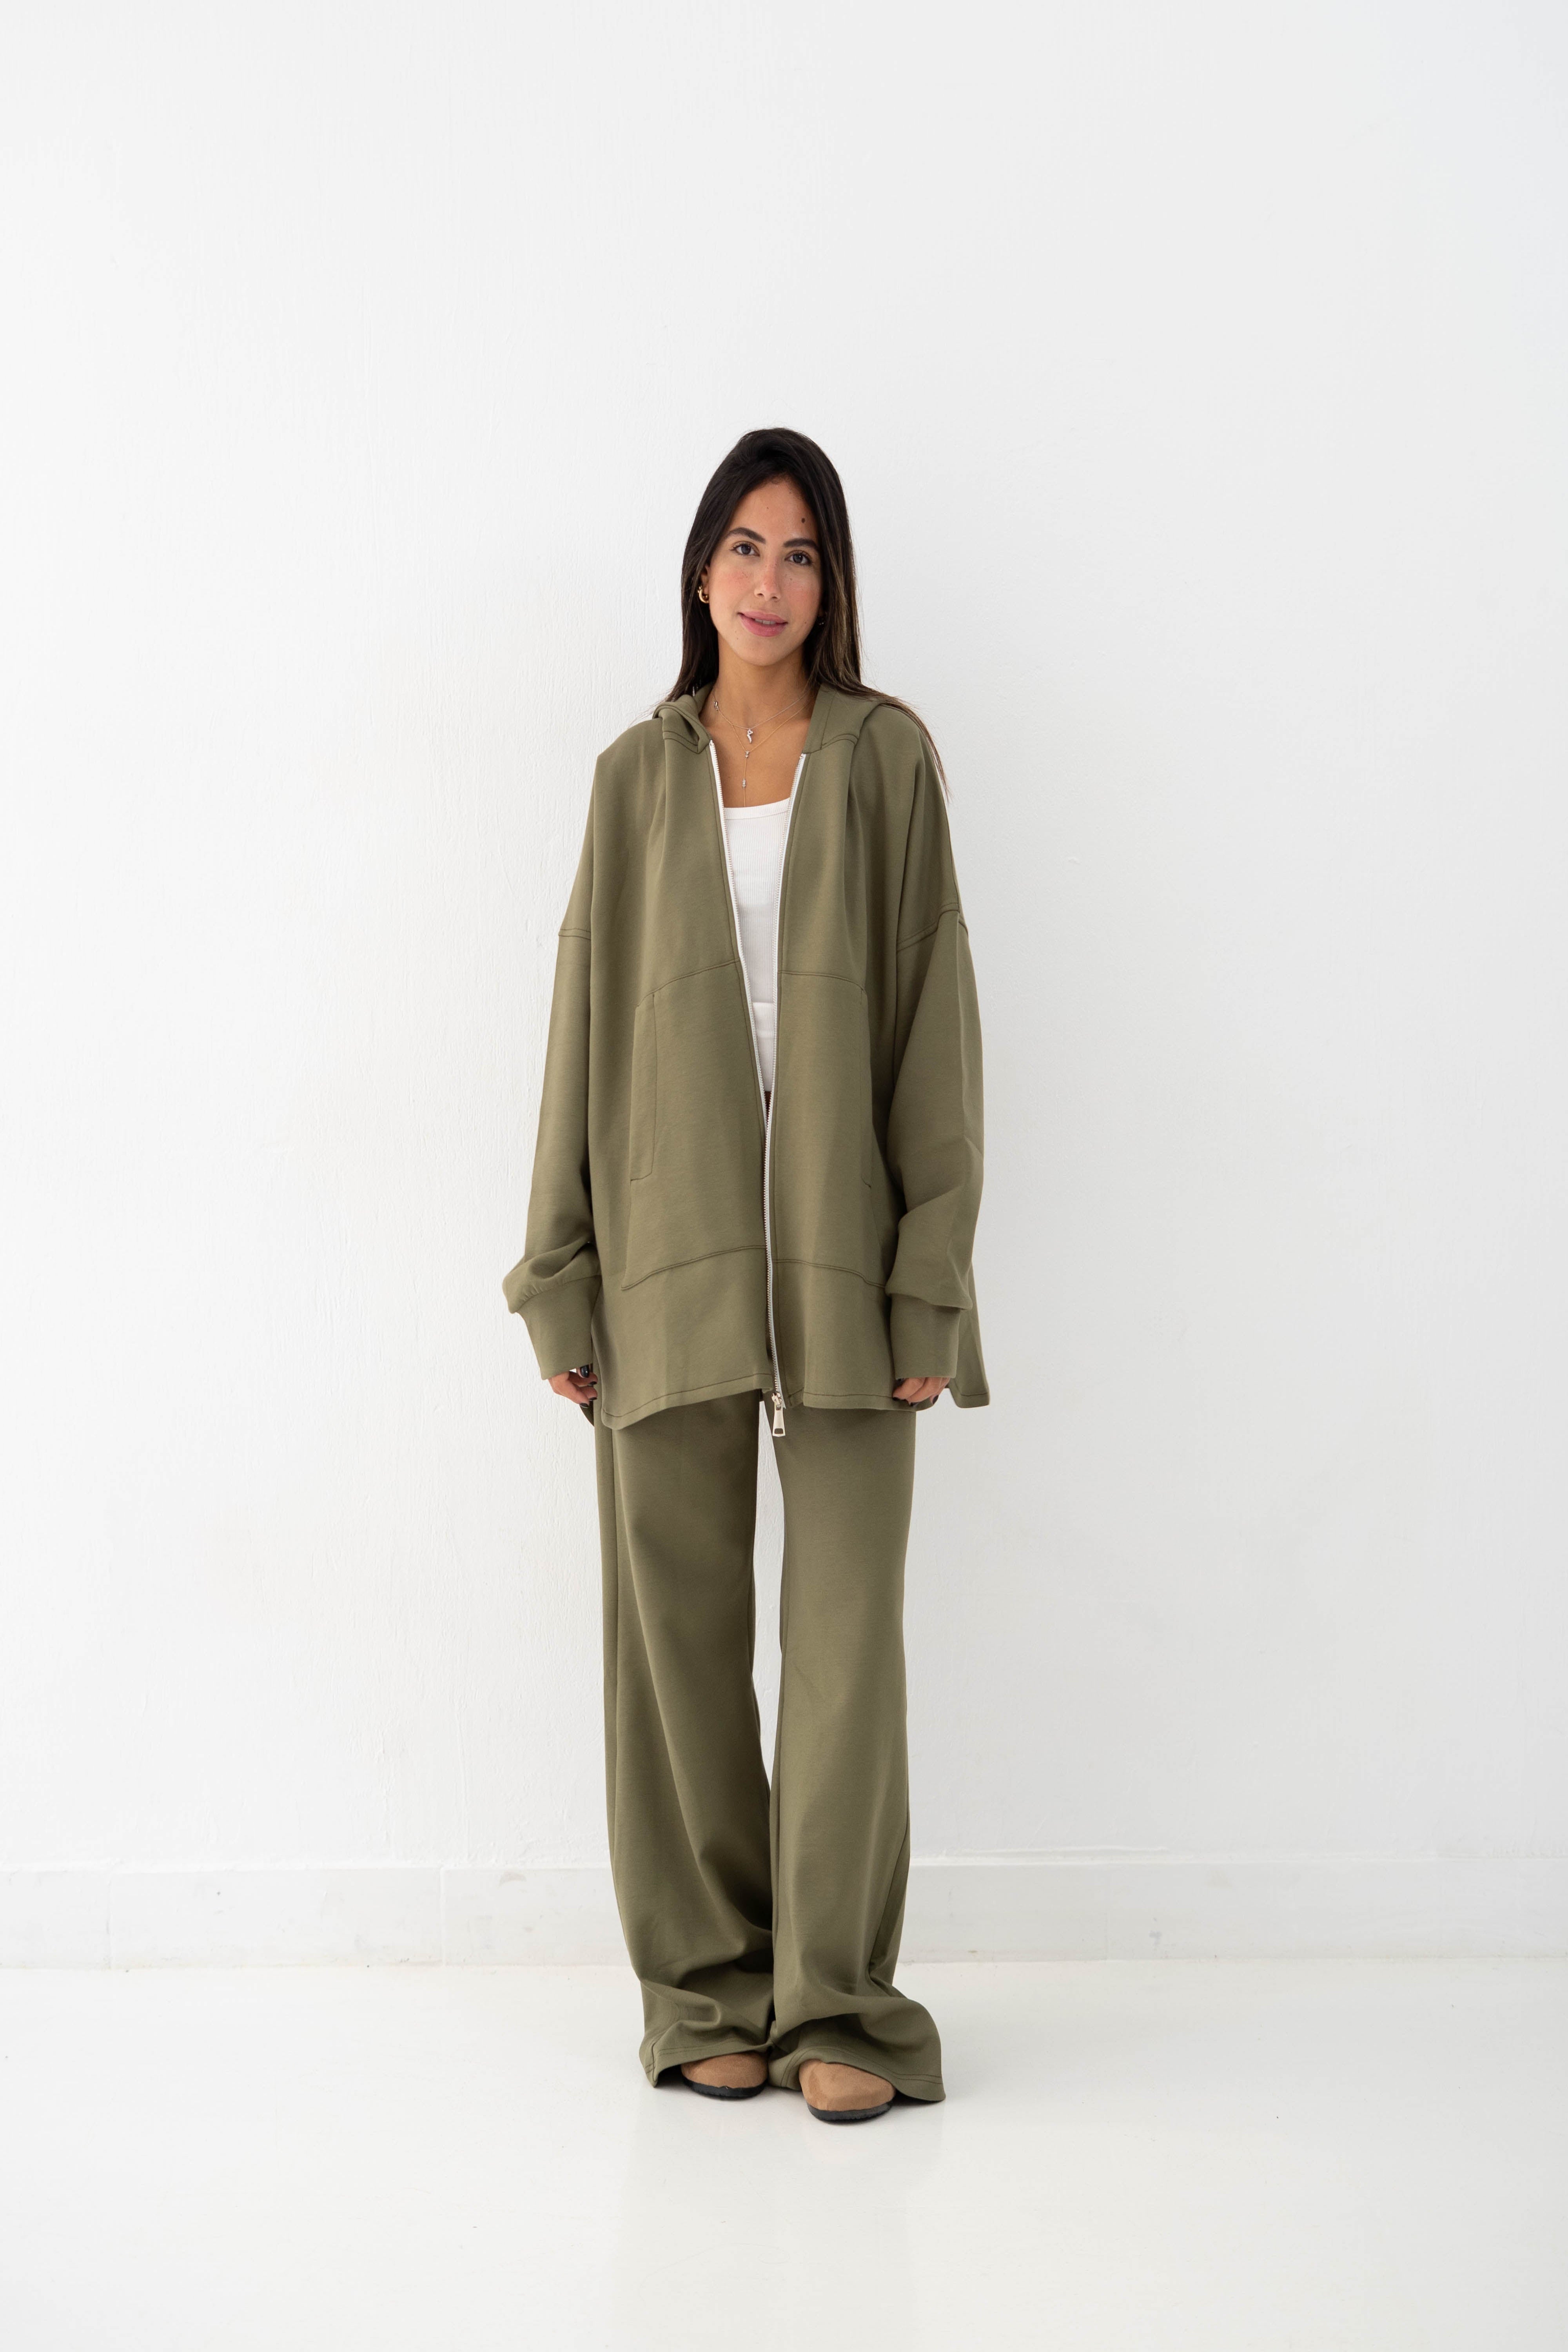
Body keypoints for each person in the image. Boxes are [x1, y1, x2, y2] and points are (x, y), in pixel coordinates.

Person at [504, 427, 987, 2123]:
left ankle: (839, 2001)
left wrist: (930, 1280)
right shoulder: (635, 777)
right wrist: (559, 1275)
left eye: (800, 553)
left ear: (829, 583)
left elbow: (935, 1021)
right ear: (699, 570)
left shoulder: (887, 758)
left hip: (846, 1258)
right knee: (676, 1646)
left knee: (846, 1645)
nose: (769, 583)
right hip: (664, 1253)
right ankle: (707, 1984)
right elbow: (581, 1025)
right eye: (743, 547)